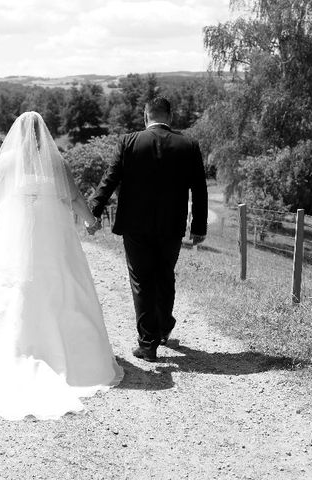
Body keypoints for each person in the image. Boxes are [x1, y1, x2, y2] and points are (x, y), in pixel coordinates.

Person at [0, 111, 123, 420]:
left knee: (12, 284)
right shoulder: (57, 163)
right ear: (43, 136)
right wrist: (91, 221)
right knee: (63, 284)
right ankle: (69, 351)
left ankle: (15, 343)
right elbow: (75, 197)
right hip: (53, 238)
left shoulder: (7, 161)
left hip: (17, 237)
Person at [88, 96, 208, 362]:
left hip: (135, 225)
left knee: (142, 281)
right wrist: (198, 226)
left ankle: (147, 344)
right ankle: (163, 327)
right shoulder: (188, 145)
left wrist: (92, 210)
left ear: (145, 116)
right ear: (170, 117)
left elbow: (110, 178)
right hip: (171, 225)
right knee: (165, 276)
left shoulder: (129, 142)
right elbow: (199, 189)